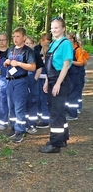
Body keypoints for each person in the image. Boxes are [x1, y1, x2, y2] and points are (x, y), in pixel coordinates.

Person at [39, 17, 73, 153]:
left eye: (56, 27)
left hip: (60, 81)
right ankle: (63, 137)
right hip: (51, 79)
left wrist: (58, 83)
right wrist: (47, 81)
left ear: (63, 28)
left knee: (55, 113)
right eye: (52, 28)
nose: (53, 30)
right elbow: (49, 65)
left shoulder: (65, 44)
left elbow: (65, 65)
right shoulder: (53, 43)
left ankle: (55, 144)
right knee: (57, 110)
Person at [3, 27, 36, 143]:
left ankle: (20, 131)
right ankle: (13, 127)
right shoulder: (10, 50)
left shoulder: (28, 51)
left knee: (19, 107)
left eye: (18, 36)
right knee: (10, 106)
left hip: (21, 81)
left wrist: (18, 63)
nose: (15, 39)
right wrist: (6, 62)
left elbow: (32, 67)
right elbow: (8, 61)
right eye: (14, 36)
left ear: (24, 38)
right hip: (9, 80)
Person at [24, 36, 44, 134]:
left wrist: (35, 78)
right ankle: (25, 124)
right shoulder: (22, 54)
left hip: (33, 80)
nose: (27, 45)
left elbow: (40, 68)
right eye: (26, 43)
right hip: (23, 81)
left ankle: (32, 124)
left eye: (29, 43)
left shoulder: (35, 54)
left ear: (33, 44)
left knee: (33, 101)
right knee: (24, 102)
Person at [65, 33, 85, 120]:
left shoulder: (77, 49)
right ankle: (67, 110)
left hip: (75, 74)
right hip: (67, 74)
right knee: (67, 93)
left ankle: (73, 114)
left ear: (73, 39)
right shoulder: (66, 49)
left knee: (73, 93)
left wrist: (71, 62)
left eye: (69, 39)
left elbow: (81, 62)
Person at [36, 43, 50, 128]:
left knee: (44, 100)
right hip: (40, 81)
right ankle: (41, 117)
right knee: (40, 100)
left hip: (44, 82)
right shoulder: (42, 60)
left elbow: (47, 73)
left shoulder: (46, 62)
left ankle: (45, 120)